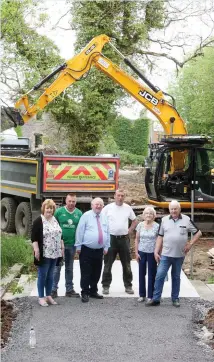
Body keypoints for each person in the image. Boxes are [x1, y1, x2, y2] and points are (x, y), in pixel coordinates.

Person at [146, 200, 202, 307]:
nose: (173, 211)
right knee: (160, 275)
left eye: (175, 208)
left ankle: (175, 299)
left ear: (179, 209)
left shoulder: (186, 219)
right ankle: (156, 299)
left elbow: (198, 233)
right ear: (169, 209)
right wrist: (156, 251)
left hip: (179, 255)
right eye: (171, 209)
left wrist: (190, 244)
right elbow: (160, 236)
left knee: (176, 277)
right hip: (166, 254)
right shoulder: (164, 220)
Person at [101, 189, 137, 295]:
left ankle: (128, 286)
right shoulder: (108, 208)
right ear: (114, 196)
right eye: (118, 195)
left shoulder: (127, 208)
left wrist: (129, 230)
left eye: (122, 196)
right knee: (108, 263)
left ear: (124, 197)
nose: (120, 197)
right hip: (111, 239)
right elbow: (101, 220)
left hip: (124, 239)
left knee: (126, 264)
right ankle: (105, 286)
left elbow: (134, 221)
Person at [75, 198, 110, 303]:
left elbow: (107, 232)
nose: (98, 206)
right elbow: (80, 231)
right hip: (86, 249)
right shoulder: (86, 216)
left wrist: (107, 246)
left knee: (97, 272)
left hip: (99, 250)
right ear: (92, 205)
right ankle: (85, 292)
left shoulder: (104, 217)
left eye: (100, 204)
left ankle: (93, 291)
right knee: (86, 272)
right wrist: (78, 246)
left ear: (103, 206)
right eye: (96, 204)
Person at [31, 199, 64, 307]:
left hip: (55, 252)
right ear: (43, 209)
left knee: (51, 275)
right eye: (47, 208)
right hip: (44, 253)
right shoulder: (38, 221)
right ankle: (41, 297)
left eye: (51, 208)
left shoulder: (55, 219)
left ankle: (48, 295)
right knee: (42, 275)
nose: (49, 210)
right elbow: (34, 238)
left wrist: (62, 246)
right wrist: (36, 250)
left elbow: (60, 234)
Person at [51, 193, 82, 298]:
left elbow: (80, 230)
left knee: (69, 267)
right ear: (66, 201)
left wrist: (79, 245)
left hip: (72, 245)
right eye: (69, 201)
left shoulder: (79, 213)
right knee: (57, 267)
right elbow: (53, 226)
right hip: (60, 245)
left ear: (76, 202)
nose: (71, 203)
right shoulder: (59, 212)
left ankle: (69, 290)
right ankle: (53, 289)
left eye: (73, 201)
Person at [135, 206, 159, 302]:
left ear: (154, 216)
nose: (148, 215)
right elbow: (137, 239)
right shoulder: (140, 225)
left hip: (152, 253)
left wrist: (157, 253)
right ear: (143, 215)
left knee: (152, 274)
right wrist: (136, 252)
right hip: (141, 252)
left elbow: (159, 241)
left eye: (150, 213)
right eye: (146, 213)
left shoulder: (157, 226)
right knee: (141, 273)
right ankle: (142, 295)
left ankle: (150, 296)